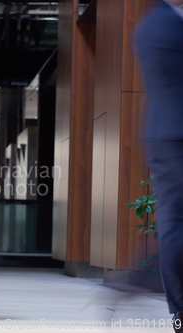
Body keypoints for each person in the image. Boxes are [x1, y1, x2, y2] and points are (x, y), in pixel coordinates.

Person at [136, 1, 183, 332]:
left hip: (164, 134)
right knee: (175, 224)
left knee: (172, 223)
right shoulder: (167, 24)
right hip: (177, 136)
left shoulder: (152, 23)